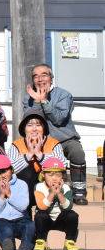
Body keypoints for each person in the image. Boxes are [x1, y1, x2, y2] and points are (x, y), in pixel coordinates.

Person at [24, 63, 88, 205]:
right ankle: (38, 192)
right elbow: (31, 120)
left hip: (66, 138)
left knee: (77, 152)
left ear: (51, 78)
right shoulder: (28, 97)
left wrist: (44, 101)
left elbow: (59, 118)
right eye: (36, 76)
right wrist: (36, 102)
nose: (40, 79)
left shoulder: (64, 95)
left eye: (44, 75)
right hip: (42, 141)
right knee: (28, 153)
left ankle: (79, 192)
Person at [8, 108, 67, 215]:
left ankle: (44, 212)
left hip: (48, 190)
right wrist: (29, 155)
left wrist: (40, 155)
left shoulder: (54, 144)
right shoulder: (16, 145)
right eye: (30, 125)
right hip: (25, 191)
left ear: (44, 128)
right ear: (24, 129)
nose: (34, 129)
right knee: (27, 172)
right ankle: (25, 213)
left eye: (38, 125)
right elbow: (10, 170)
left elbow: (62, 165)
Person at [0, 155, 36, 250]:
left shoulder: (22, 184)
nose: (2, 175)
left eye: (4, 171)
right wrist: (1, 196)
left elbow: (23, 206)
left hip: (20, 218)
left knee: (31, 226)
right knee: (6, 231)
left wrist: (9, 194)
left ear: (12, 170)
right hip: (1, 219)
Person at [33, 158, 80, 250]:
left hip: (60, 219)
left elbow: (68, 207)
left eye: (58, 175)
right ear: (43, 175)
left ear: (62, 177)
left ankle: (70, 241)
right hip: (45, 220)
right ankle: (41, 241)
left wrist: (59, 193)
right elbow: (42, 207)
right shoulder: (39, 187)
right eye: (50, 175)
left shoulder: (66, 187)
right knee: (40, 215)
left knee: (72, 215)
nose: (54, 178)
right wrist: (51, 193)